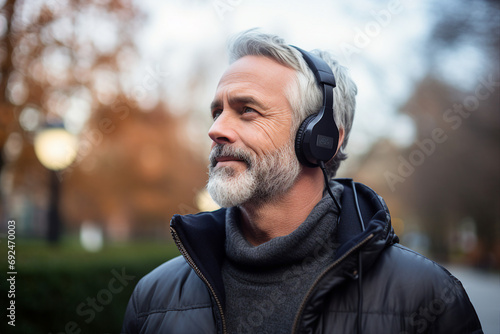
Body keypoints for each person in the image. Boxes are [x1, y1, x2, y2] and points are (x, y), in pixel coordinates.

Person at [121, 29, 482, 334]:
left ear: (322, 138)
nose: (216, 130)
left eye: (247, 110)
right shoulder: (154, 299)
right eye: (217, 112)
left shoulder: (427, 296)